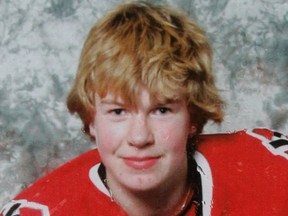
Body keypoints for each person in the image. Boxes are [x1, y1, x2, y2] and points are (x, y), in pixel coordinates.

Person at [1, 1, 288, 216]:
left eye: (161, 110)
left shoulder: (273, 169)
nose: (139, 137)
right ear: (91, 118)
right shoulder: (44, 210)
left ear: (193, 117)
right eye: (118, 112)